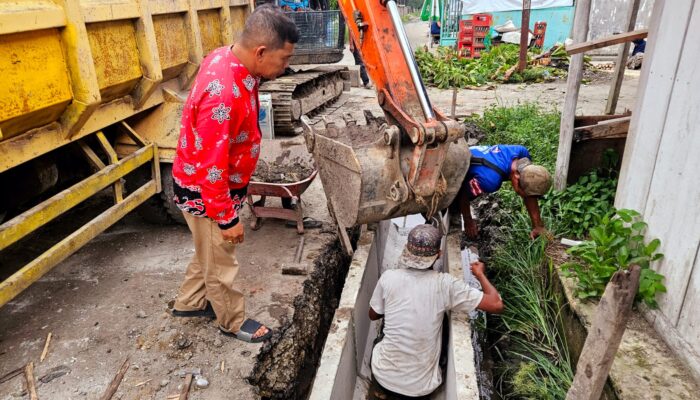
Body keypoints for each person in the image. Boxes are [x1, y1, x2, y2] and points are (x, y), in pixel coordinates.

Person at [170, 4, 299, 343]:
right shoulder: (223, 92)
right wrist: (228, 219)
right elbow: (212, 168)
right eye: (283, 59)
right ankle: (231, 319)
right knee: (221, 260)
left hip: (213, 184)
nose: (286, 67)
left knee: (207, 252)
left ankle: (189, 303)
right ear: (260, 51)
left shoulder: (228, 59)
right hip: (209, 191)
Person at [368, 224, 503, 399]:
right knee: (444, 318)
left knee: (385, 326)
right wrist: (479, 274)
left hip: (383, 377)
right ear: (438, 255)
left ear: (406, 251)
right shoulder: (445, 285)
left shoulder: (389, 278)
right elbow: (497, 304)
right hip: (421, 389)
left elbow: (373, 315)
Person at [455, 145, 552, 240]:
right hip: (454, 163)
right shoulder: (490, 180)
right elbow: (463, 194)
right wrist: (468, 221)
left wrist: (538, 226)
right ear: (516, 177)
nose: (526, 197)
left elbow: (530, 190)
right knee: (454, 202)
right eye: (525, 193)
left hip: (470, 150)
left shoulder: (522, 152)